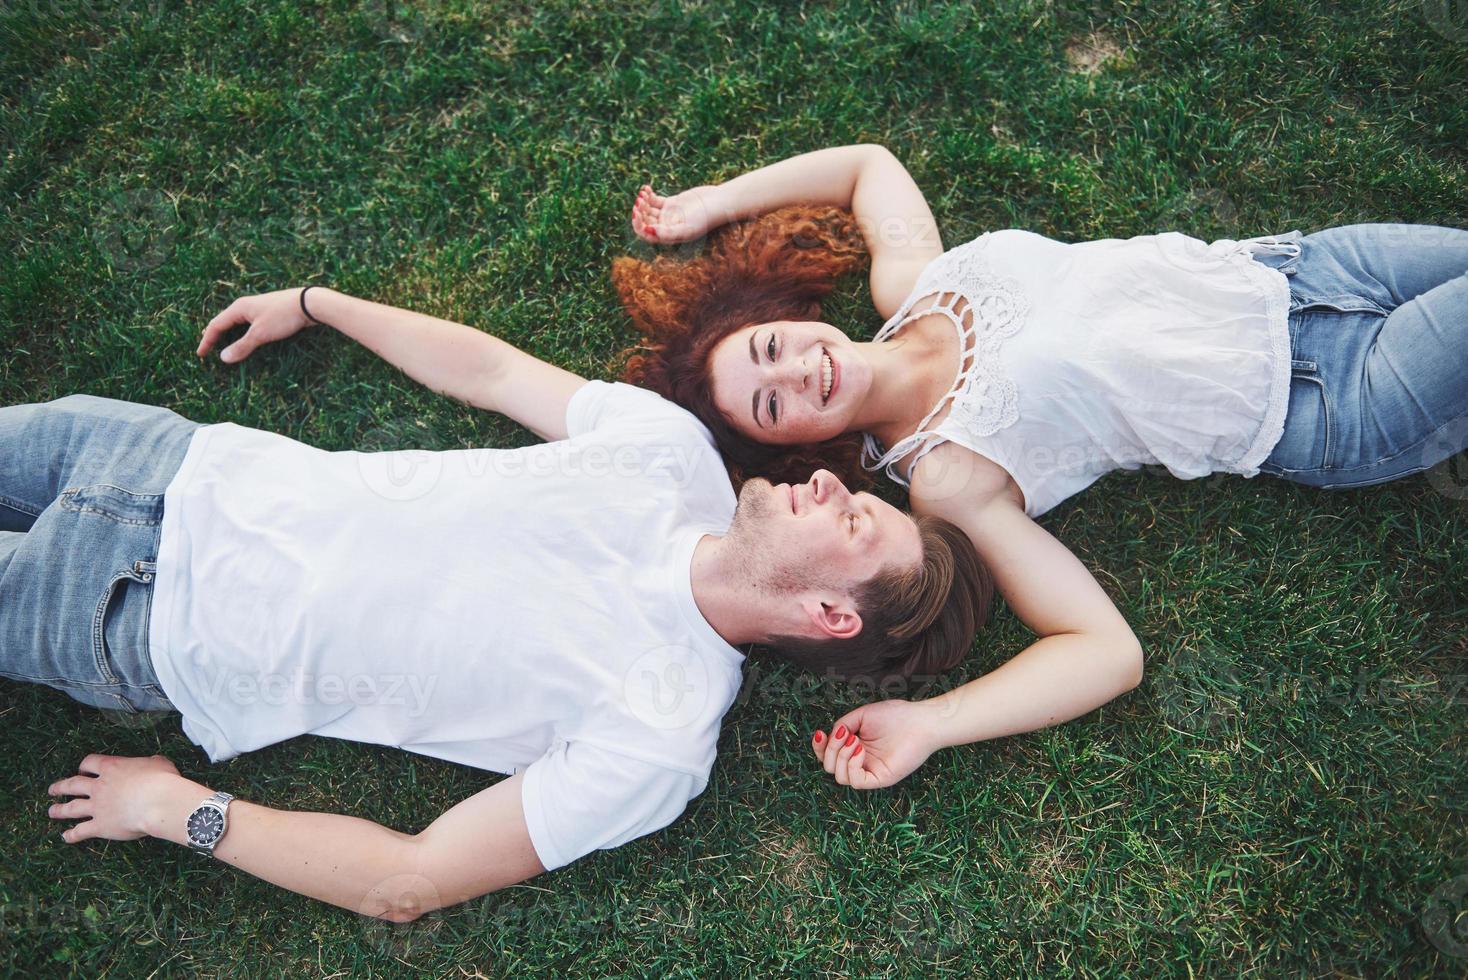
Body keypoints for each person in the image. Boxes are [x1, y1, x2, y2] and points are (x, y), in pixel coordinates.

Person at [3, 285, 990, 922]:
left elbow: (411, 876)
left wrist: (173, 807)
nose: (826, 484)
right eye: (856, 493)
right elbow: (494, 372)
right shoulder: (673, 453)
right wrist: (322, 303)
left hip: (131, 618)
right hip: (165, 456)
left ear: (829, 615)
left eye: (854, 522)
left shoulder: (657, 733)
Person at [616, 143, 1468, 789]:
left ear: (790, 321)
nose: (795, 371)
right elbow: (1104, 650)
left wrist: (716, 203)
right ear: (792, 447)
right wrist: (934, 724)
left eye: (770, 348)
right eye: (772, 403)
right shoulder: (950, 477)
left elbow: (866, 168)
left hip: (1305, 267)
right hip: (1333, 400)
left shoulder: (914, 282)